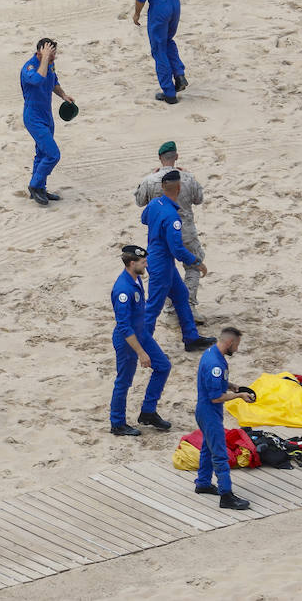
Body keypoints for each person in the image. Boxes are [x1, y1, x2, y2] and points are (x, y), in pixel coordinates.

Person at [141, 170, 214, 351]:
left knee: (181, 296)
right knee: (153, 308)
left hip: (159, 261)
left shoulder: (154, 204)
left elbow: (144, 219)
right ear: (179, 188)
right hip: (162, 266)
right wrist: (196, 262)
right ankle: (143, 345)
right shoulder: (173, 217)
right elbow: (177, 249)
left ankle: (191, 338)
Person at [109, 245, 172, 436]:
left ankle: (148, 412)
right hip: (127, 340)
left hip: (141, 334)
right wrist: (140, 352)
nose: (147, 265)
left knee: (163, 366)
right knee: (124, 381)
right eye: (143, 262)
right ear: (132, 263)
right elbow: (123, 325)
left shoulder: (135, 279)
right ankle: (117, 423)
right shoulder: (123, 289)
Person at [134, 141, 206, 306]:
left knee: (165, 269)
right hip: (186, 231)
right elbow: (199, 199)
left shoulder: (150, 180)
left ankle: (169, 305)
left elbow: (139, 201)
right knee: (193, 265)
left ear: (160, 158)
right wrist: (190, 176)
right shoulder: (187, 178)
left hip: (161, 234)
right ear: (177, 157)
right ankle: (188, 303)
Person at [194, 326, 254, 511]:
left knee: (207, 447)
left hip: (205, 411)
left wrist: (232, 386)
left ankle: (203, 483)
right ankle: (226, 496)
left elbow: (214, 384)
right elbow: (215, 397)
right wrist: (239, 396)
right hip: (209, 412)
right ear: (230, 343)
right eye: (236, 345)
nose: (236, 349)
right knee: (220, 454)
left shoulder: (211, 353)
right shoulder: (216, 366)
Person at [20, 38, 75, 206]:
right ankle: (35, 186)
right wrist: (44, 59)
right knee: (53, 154)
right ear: (39, 53)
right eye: (51, 56)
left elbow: (53, 81)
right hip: (33, 118)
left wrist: (64, 95)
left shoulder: (49, 64)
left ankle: (40, 188)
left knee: (42, 153)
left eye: (54, 56)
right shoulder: (28, 68)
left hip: (47, 116)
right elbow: (37, 79)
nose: (53, 59)